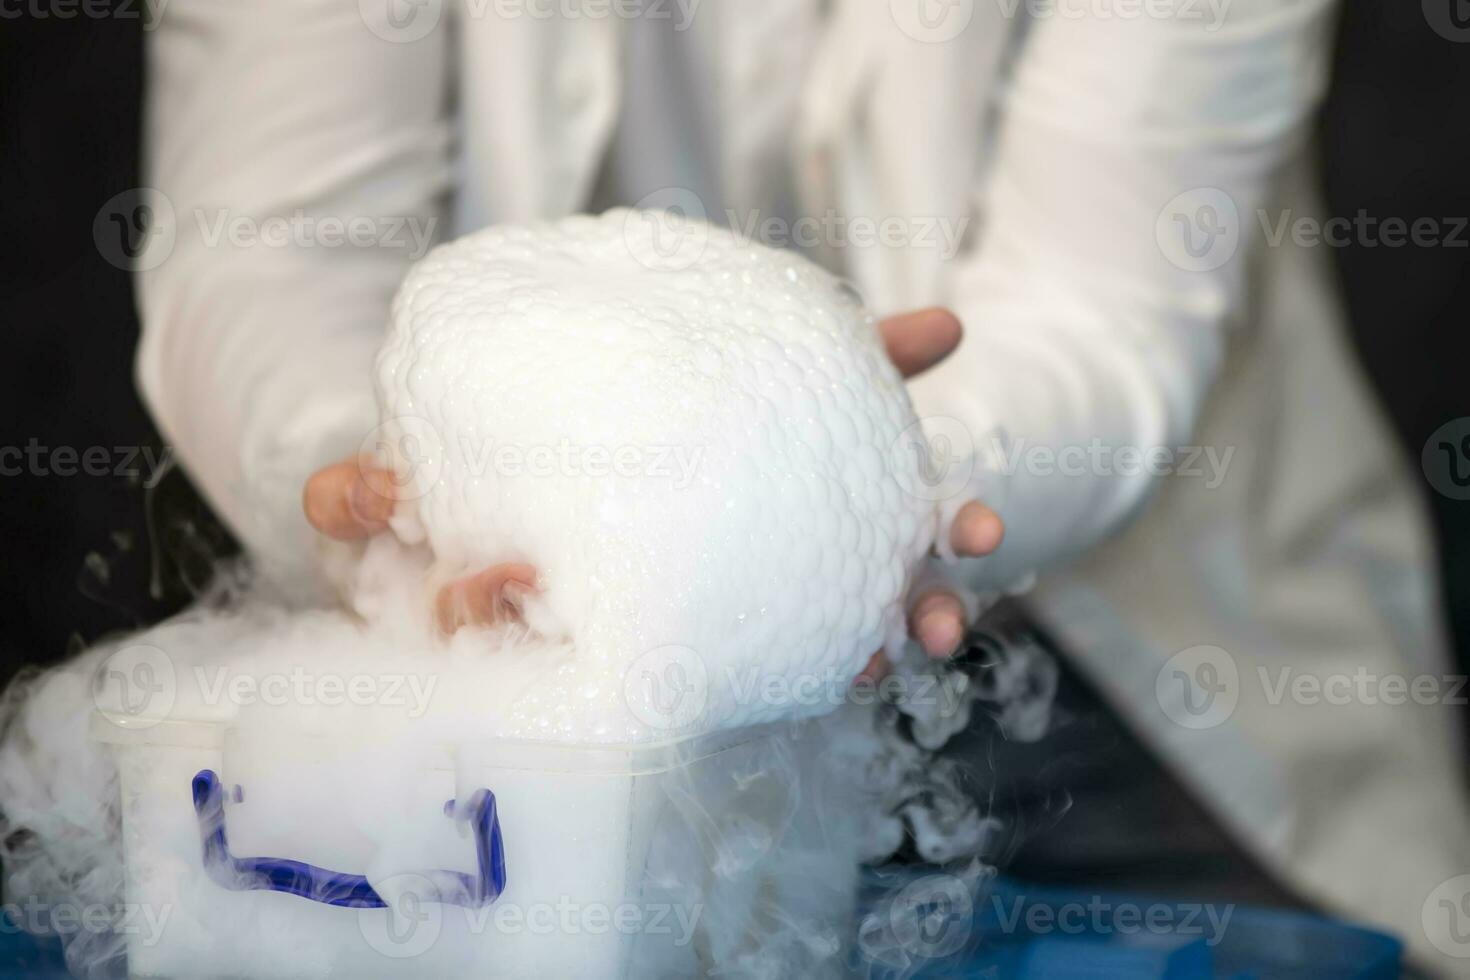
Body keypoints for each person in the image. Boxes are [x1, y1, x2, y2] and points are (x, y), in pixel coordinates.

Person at [135, 0, 1469, 967]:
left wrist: (874, 485)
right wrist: (386, 511)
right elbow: (265, 255)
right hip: (517, 644)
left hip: (1122, 682)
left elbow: (1102, 307)